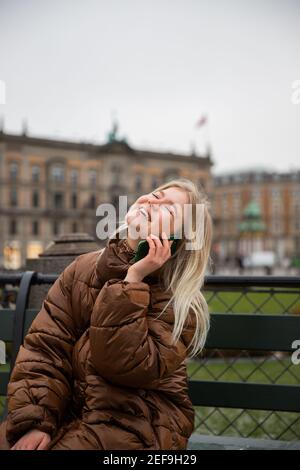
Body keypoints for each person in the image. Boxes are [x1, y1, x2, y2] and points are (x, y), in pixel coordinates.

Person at [0, 178, 213, 450]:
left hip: (139, 422)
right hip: (70, 411)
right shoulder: (83, 268)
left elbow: (124, 365)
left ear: (179, 240)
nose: (152, 202)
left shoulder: (181, 303)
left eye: (168, 209)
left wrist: (133, 280)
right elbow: (45, 350)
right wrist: (36, 421)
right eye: (155, 195)